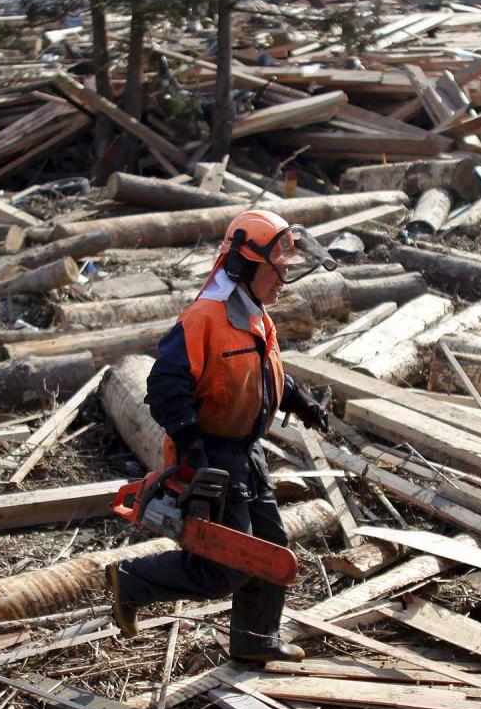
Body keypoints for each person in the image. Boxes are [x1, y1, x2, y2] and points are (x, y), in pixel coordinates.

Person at [109, 208, 331, 664]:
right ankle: (131, 580)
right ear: (244, 265)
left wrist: (300, 401)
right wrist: (193, 453)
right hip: (211, 455)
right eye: (277, 270)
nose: (283, 281)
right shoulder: (203, 319)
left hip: (247, 453)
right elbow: (166, 387)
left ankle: (255, 640)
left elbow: (262, 372)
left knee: (271, 552)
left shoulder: (257, 316)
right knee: (228, 564)